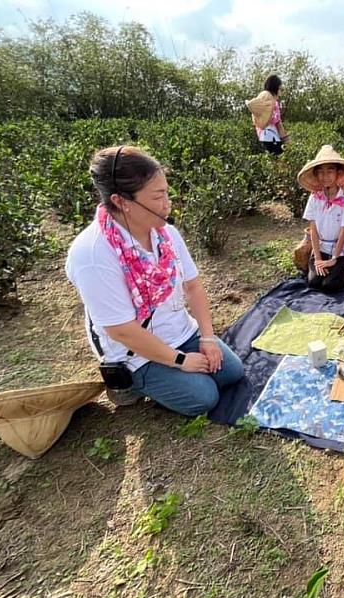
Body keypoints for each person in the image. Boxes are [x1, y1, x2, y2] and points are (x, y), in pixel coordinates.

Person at [66, 146, 245, 416]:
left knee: (232, 372)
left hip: (180, 331)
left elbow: (193, 286)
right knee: (204, 397)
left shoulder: (165, 234)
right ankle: (129, 385)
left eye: (166, 193)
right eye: (158, 196)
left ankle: (174, 375)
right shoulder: (92, 255)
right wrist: (180, 361)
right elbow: (122, 331)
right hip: (135, 352)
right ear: (121, 201)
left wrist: (207, 338)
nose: (167, 204)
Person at [298, 145, 344, 293]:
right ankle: (324, 267)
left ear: (338, 173)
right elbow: (313, 230)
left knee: (330, 285)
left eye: (329, 171)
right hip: (320, 249)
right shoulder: (314, 198)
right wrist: (319, 259)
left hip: (339, 251)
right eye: (320, 171)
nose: (325, 176)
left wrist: (334, 258)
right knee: (314, 283)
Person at [246, 74, 289, 155]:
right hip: (271, 137)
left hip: (264, 137)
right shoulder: (271, 101)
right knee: (279, 161)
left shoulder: (266, 100)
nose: (280, 92)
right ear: (275, 88)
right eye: (280, 89)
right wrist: (286, 139)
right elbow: (278, 123)